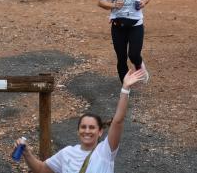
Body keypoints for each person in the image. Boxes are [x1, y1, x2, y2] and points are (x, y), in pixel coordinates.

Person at [15, 69, 146, 173]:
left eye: (92, 127)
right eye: (83, 127)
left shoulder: (105, 151)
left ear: (100, 132)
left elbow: (118, 121)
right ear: (78, 131)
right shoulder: (67, 153)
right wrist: (27, 153)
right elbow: (42, 169)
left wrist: (125, 89)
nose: (87, 131)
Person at [97, 0, 150, 84]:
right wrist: (113, 5)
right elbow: (100, 1)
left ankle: (139, 65)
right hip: (118, 25)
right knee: (121, 58)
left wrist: (143, 2)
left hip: (136, 23)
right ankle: (126, 87)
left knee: (133, 55)